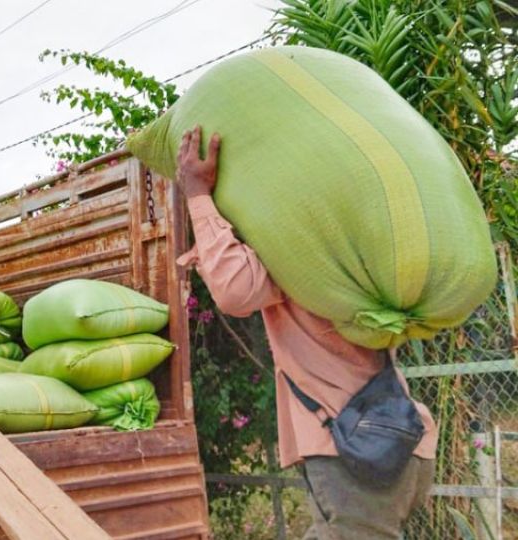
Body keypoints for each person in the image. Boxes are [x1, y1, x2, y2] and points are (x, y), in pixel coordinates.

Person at [175, 125, 437, 539]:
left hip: (353, 449)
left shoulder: (301, 248)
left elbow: (234, 289)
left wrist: (197, 194)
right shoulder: (363, 236)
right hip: (399, 437)